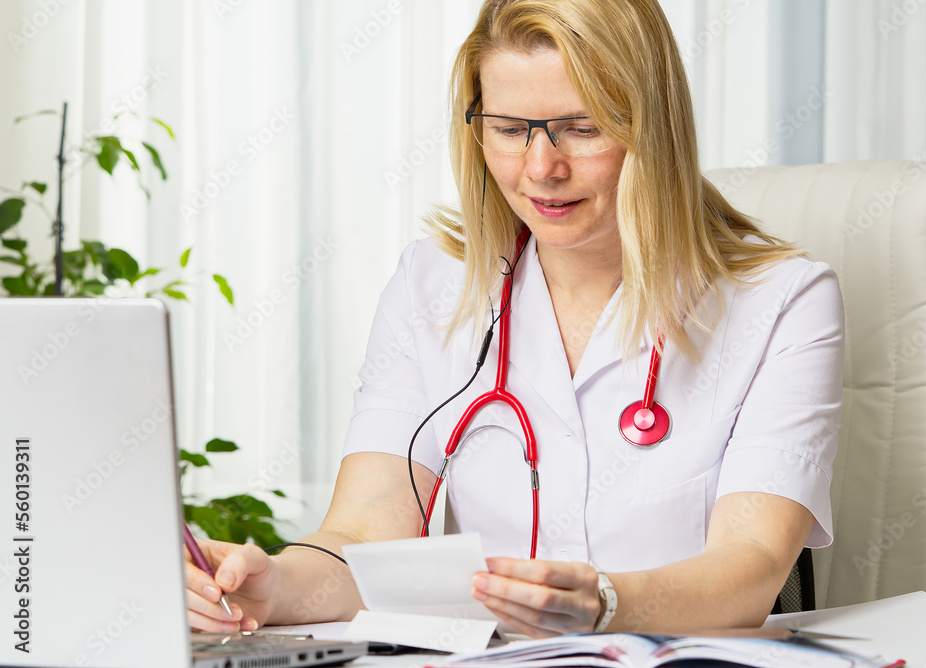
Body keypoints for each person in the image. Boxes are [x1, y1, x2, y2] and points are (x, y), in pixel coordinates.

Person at [185, 0, 844, 639]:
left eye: (583, 129)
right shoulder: (432, 286)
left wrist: (605, 603)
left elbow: (750, 567)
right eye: (508, 129)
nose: (541, 170)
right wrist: (273, 584)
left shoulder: (782, 301)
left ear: (654, 125)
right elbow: (361, 537)